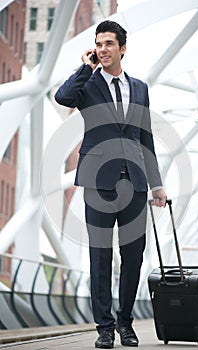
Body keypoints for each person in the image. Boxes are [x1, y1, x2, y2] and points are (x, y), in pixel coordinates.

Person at [55, 20, 167, 349]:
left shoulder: (141, 88)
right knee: (100, 256)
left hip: (134, 181)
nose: (102, 49)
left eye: (108, 44)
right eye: (98, 44)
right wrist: (84, 68)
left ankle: (125, 323)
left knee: (133, 256)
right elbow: (63, 98)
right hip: (97, 181)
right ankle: (104, 328)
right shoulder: (87, 84)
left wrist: (157, 184)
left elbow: (145, 137)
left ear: (122, 49)